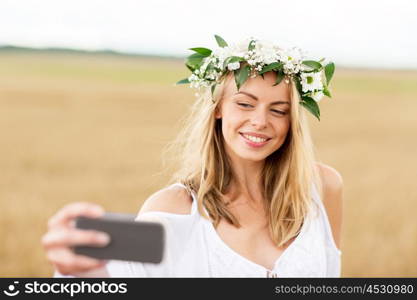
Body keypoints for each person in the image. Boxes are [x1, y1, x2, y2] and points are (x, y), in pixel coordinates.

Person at [42, 36, 343, 277]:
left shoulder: (322, 187)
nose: (261, 121)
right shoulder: (174, 209)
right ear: (218, 109)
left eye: (278, 110)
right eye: (245, 104)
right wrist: (78, 273)